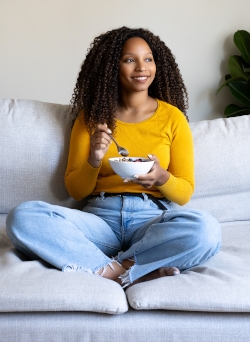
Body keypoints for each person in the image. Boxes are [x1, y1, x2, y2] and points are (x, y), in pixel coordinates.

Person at [6, 27, 221, 288]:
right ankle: (125, 272)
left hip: (151, 219)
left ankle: (113, 267)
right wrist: (94, 158)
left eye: (148, 58)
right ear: (112, 68)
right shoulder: (91, 118)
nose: (142, 67)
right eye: (130, 59)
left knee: (206, 230)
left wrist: (161, 177)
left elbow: (184, 193)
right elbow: (75, 190)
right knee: (22, 217)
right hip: (100, 219)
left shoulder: (173, 117)